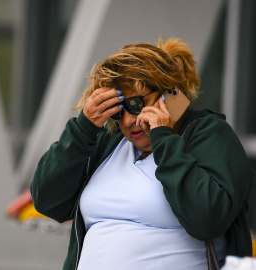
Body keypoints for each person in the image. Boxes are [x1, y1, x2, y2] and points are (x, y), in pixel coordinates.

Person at [31, 37, 253, 270]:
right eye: (118, 110)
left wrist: (164, 138)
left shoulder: (209, 134)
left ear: (171, 93)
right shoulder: (108, 143)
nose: (128, 121)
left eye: (136, 105)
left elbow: (208, 220)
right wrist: (84, 128)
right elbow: (47, 202)